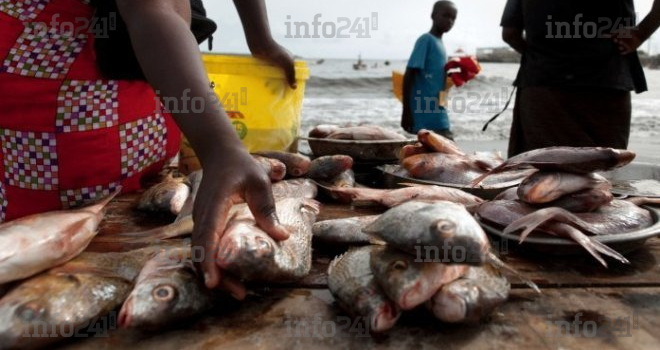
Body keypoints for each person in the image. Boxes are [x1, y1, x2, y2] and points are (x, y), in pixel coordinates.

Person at [0, 0, 296, 299]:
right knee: (43, 262)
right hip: (65, 90)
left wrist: (260, 38)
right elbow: (152, 8)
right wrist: (221, 150)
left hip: (146, 77)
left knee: (129, 227)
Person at [501, 0, 660, 157]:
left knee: (540, 172)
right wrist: (641, 32)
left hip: (544, 87)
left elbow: (510, 34)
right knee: (601, 171)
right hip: (607, 83)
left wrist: (540, 57)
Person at [401, 1, 457, 140]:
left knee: (445, 154)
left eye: (453, 18)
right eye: (446, 15)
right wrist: (406, 112)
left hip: (439, 113)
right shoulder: (426, 40)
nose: (449, 21)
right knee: (436, 154)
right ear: (433, 15)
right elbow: (409, 74)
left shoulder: (441, 44)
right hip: (423, 115)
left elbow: (436, 77)